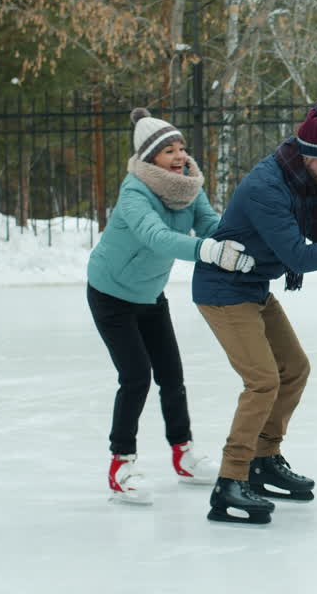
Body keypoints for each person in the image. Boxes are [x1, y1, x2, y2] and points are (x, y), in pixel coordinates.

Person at [192, 97, 317, 525]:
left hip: (253, 286)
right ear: (313, 155)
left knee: (294, 368)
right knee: (262, 380)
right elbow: (299, 256)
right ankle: (230, 481)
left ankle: (264, 460)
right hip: (223, 290)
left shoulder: (297, 180)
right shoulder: (268, 187)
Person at [88, 107, 255, 506]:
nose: (179, 156)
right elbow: (156, 237)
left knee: (171, 376)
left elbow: (211, 224)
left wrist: (242, 242)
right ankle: (121, 463)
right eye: (168, 151)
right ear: (149, 159)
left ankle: (183, 455)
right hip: (111, 293)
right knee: (136, 377)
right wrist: (208, 252)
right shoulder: (134, 193)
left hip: (148, 294)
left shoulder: (187, 187)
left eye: (181, 147)